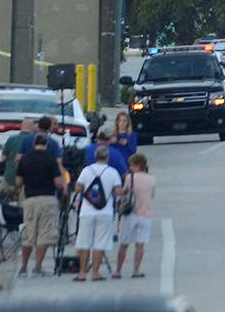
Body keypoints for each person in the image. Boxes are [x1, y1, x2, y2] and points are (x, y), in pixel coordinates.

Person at [16, 121, 68, 277]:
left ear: (33, 143)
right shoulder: (51, 159)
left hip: (30, 199)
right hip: (47, 199)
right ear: (46, 144)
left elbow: (18, 182)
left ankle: (23, 267)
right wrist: (63, 187)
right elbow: (58, 182)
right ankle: (37, 267)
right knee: (44, 235)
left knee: (28, 234)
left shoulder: (24, 159)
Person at [72, 143, 123, 283]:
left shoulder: (87, 170)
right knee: (100, 243)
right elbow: (118, 191)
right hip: (105, 211)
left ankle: (82, 273)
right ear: (107, 157)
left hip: (87, 211)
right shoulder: (112, 172)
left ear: (95, 157)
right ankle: (95, 273)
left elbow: (77, 188)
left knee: (84, 242)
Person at [114, 152, 156, 279]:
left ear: (137, 165)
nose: (130, 167)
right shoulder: (152, 179)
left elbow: (124, 193)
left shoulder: (129, 178)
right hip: (146, 214)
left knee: (124, 244)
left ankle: (118, 271)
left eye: (131, 165)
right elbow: (152, 196)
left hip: (131, 213)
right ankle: (136, 270)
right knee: (140, 244)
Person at [0, 116, 37, 197]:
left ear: (21, 126)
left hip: (10, 177)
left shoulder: (11, 139)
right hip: (27, 180)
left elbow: (3, 158)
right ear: (33, 128)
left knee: (0, 199)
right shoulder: (35, 140)